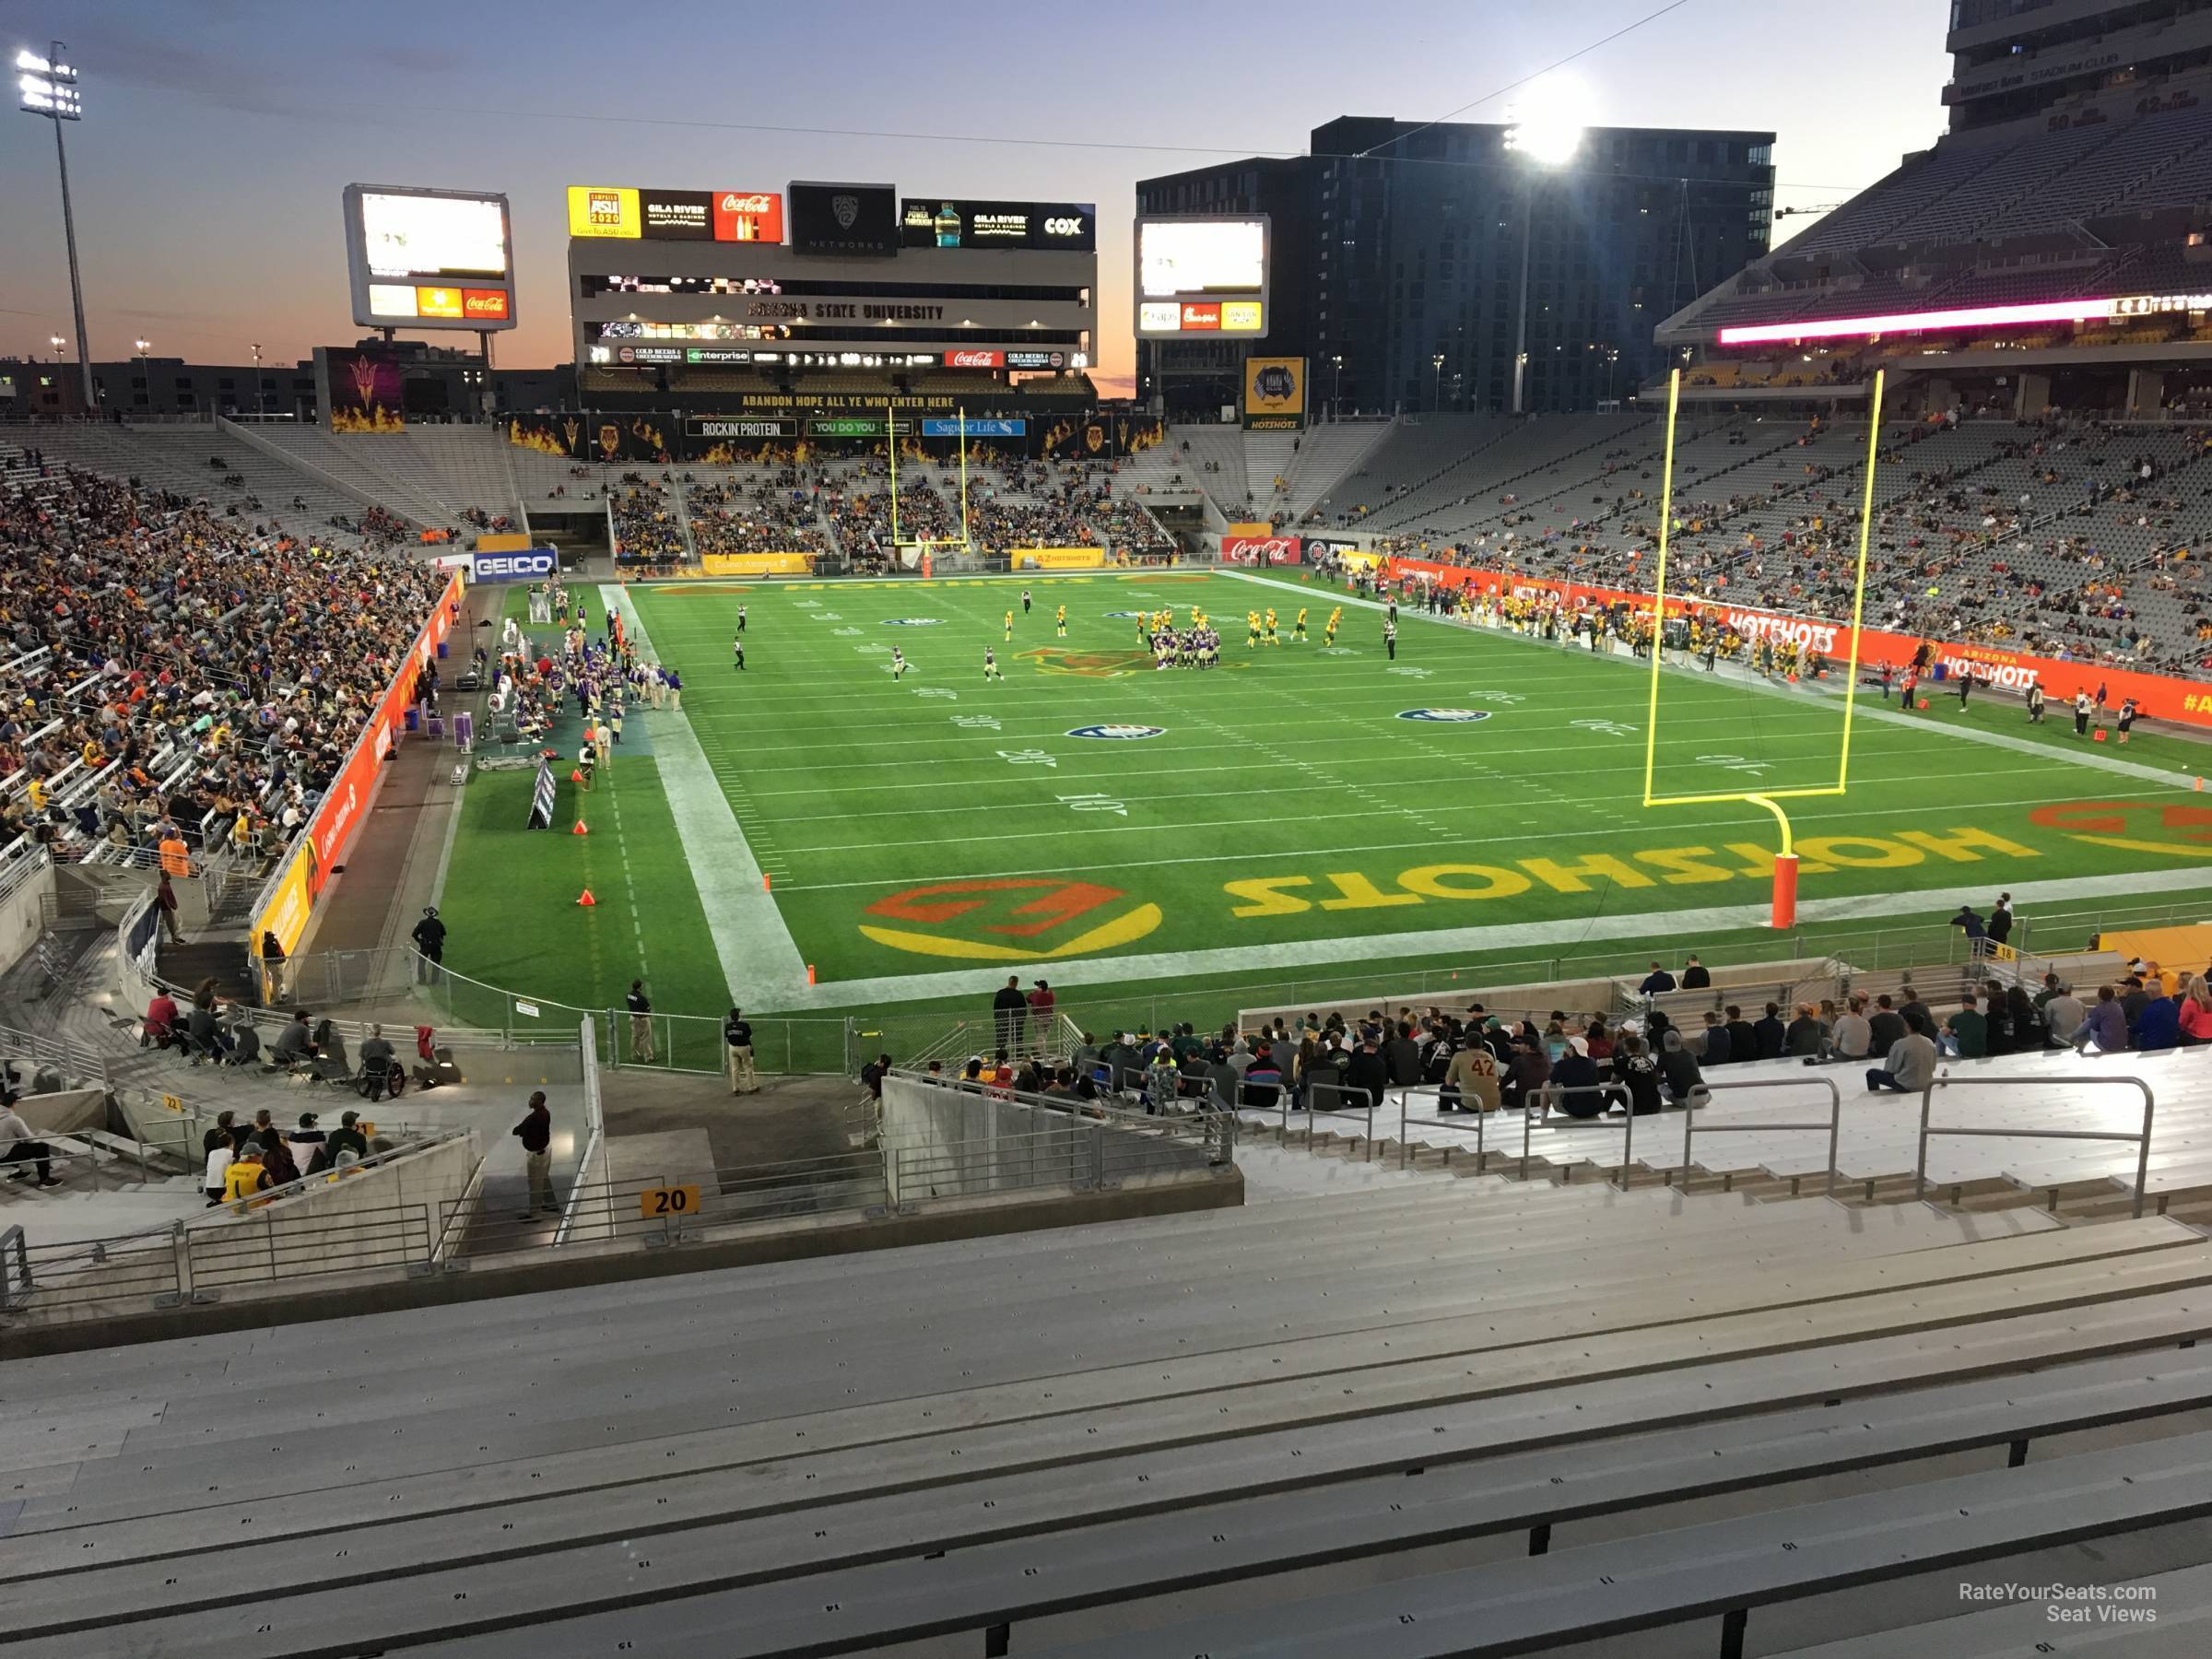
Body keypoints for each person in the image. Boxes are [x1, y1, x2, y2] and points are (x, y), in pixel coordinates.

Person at [0, 1093, 57, 1187]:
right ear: (14, 1103)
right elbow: (30, 1139)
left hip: (3, 1152)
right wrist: (39, 1139)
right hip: (4, 1156)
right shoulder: (14, 1120)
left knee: (20, 1147)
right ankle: (45, 1180)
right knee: (41, 1148)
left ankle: (23, 1171)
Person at [512, 1091, 554, 1219]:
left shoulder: (534, 1117)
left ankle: (535, 1214)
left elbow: (516, 1130)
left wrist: (523, 1132)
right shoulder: (545, 1113)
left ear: (540, 1101)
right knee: (543, 1178)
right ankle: (551, 1204)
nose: (530, 1101)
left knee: (535, 1183)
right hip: (545, 1150)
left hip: (537, 1154)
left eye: (533, 1099)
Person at [1866, 1025, 1937, 1094]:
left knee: (1871, 1073)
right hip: (1926, 1084)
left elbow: (1891, 1069)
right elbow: (1933, 1068)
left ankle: (1874, 1098)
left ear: (1908, 1028)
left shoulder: (1901, 1043)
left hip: (1906, 1085)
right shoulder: (1929, 1042)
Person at [1548, 1039, 1605, 1118]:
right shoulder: (1592, 1062)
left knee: (1546, 1084)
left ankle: (1543, 1116)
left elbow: (1553, 1079)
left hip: (1575, 1108)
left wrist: (1561, 1060)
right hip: (1596, 1107)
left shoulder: (1562, 1064)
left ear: (1572, 1048)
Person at [1442, 1037, 1500, 1113]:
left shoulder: (1459, 1056)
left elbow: (1449, 1082)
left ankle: (1445, 1117)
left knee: (1444, 1088)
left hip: (1473, 1104)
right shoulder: (1489, 1056)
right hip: (1493, 1103)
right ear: (1481, 1044)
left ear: (1466, 1044)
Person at [2070, 985, 2127, 1054]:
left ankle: (2073, 1040)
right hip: (2122, 1044)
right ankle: (2076, 1042)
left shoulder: (2099, 1009)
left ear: (2099, 996)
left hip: (2107, 1045)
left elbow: (2094, 1026)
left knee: (2089, 1027)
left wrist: (2075, 1035)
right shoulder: (2118, 1007)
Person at [1617, 1035, 1664, 1114]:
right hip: (1656, 1106)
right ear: (1639, 1047)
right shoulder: (1649, 1062)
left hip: (1637, 1107)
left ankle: (1604, 1109)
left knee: (1613, 1087)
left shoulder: (1622, 1062)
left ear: (1625, 1048)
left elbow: (1614, 1080)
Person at [1656, 1029, 1704, 1108]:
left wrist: (1668, 1079)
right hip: (1704, 1095)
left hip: (1685, 1099)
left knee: (1659, 1086)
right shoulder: (1690, 1054)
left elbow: (1657, 1079)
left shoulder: (1663, 1057)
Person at [222, 1144, 271, 1211]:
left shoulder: (230, 1168)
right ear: (253, 1157)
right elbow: (271, 1191)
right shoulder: (259, 1170)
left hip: (232, 1207)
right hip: (254, 1207)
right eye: (260, 1155)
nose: (262, 1157)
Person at [359, 1024, 398, 1101]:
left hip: (370, 1067)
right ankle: (395, 1076)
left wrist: (363, 1067)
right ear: (380, 1032)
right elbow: (393, 1052)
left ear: (370, 1032)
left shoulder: (364, 1043)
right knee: (397, 1059)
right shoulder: (385, 1042)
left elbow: (361, 1056)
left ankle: (374, 1085)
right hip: (383, 1067)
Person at [724, 1006, 759, 1094]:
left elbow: (727, 1037)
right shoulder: (744, 1025)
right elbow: (749, 1036)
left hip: (732, 1048)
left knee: (735, 1069)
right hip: (743, 1048)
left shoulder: (727, 1026)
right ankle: (751, 1087)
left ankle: (735, 1088)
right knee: (748, 1067)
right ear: (738, 1016)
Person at [1828, 994, 1872, 1062]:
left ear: (1846, 1007)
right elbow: (1869, 1039)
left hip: (1846, 1057)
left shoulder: (1840, 1022)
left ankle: (1818, 1064)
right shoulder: (1866, 1023)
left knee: (1824, 1041)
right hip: (1863, 1056)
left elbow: (1835, 1045)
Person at [1944, 994, 1987, 1059]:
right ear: (1975, 1005)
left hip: (1964, 1051)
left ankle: (1940, 1056)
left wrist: (1944, 1026)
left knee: (1939, 1034)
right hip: (1981, 1051)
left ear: (1963, 1005)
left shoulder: (1956, 1018)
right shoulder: (1982, 1019)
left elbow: (1945, 1033)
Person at [411, 906, 446, 983]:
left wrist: (419, 941)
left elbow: (414, 934)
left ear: (427, 914)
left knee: (421, 963)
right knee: (436, 964)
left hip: (425, 946)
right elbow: (444, 933)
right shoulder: (438, 922)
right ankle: (434, 981)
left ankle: (422, 980)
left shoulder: (422, 922)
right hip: (436, 946)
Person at [993, 976, 1027, 1053]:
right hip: (1016, 1021)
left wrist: (997, 1019)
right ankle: (1018, 1058)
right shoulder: (1019, 995)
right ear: (1016, 983)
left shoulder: (1000, 993)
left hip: (1002, 1020)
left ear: (1009, 982)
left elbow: (996, 1008)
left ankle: (999, 1058)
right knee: (1018, 1041)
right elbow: (1024, 1010)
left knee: (1001, 1041)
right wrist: (1021, 1021)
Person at [626, 980, 655, 1064]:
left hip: (632, 1018)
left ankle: (634, 1056)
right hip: (642, 1019)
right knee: (645, 1038)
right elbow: (648, 1009)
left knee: (635, 1037)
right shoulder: (642, 998)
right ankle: (648, 1057)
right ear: (640, 987)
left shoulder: (628, 995)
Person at [155, 869, 185, 945]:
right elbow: (164, 899)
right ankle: (175, 939)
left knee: (178, 922)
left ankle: (176, 937)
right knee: (172, 925)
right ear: (163, 876)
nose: (169, 875)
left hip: (172, 907)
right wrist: (170, 908)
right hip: (168, 909)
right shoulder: (162, 887)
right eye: (167, 874)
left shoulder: (166, 884)